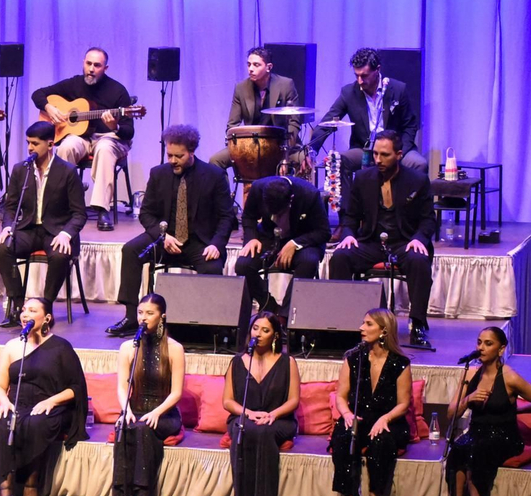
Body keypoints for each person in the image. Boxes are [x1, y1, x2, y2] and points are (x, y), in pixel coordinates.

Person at [107, 124, 235, 338]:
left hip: (199, 242)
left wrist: (216, 243)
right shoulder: (158, 173)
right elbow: (146, 213)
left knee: (213, 268)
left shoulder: (213, 175)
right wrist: (162, 236)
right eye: (169, 155)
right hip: (164, 239)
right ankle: (131, 316)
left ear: (192, 151)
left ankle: (206, 324)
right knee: (130, 251)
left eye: (179, 156)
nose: (173, 160)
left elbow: (226, 216)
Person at [327, 130, 437, 349]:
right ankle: (345, 323)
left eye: (384, 155)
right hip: (372, 242)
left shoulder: (418, 180)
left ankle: (417, 324)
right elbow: (350, 216)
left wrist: (418, 239)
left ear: (399, 154)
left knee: (418, 260)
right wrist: (348, 235)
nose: (378, 160)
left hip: (404, 241)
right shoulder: (363, 179)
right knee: (340, 257)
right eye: (375, 154)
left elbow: (428, 220)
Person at [443, 326, 531, 496]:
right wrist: (468, 398)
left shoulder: (509, 376)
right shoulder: (471, 374)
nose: (481, 347)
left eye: (488, 343)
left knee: (477, 450)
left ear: (501, 349)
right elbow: (451, 413)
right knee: (457, 450)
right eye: (479, 342)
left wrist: (519, 409)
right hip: (477, 431)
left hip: (504, 436)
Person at [0, 298, 88, 496]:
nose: (25, 314)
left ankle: (31, 486)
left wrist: (52, 400)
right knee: (3, 426)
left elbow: (76, 388)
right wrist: (4, 402)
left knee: (36, 424)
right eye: (23, 310)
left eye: (32, 311)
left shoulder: (61, 347)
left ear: (47, 318)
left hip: (49, 406)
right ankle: (6, 489)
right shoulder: (12, 346)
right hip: (17, 405)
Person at [34, 46, 136, 231]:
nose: (91, 68)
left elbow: (129, 131)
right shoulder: (74, 84)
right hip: (81, 137)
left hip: (109, 138)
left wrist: (115, 126)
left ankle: (102, 208)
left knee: (104, 148)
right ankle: (62, 206)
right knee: (66, 146)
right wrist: (50, 108)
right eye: (88, 63)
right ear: (83, 63)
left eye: (97, 65)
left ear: (105, 68)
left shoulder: (118, 91)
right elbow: (38, 94)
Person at [0, 121, 87, 324]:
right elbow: (10, 207)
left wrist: (66, 234)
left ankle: (46, 306)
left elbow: (79, 214)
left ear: (50, 144)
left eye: (35, 143)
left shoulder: (68, 172)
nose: (30, 148)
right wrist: (8, 227)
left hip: (57, 231)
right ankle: (18, 303)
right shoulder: (21, 170)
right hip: (27, 229)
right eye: (28, 143)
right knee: (2, 248)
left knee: (60, 254)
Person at [329, 308, 413, 496]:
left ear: (383, 330)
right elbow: (341, 396)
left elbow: (404, 403)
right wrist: (346, 414)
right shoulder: (353, 358)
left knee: (381, 442)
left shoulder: (400, 363)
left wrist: (385, 418)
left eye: (368, 324)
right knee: (343, 437)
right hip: (358, 417)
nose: (361, 328)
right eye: (362, 323)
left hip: (388, 420)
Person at [111, 293, 187, 496]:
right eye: (140, 313)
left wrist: (157, 412)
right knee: (123, 427)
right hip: (136, 409)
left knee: (145, 429)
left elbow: (176, 393)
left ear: (161, 316)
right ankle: (123, 494)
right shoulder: (128, 347)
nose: (143, 318)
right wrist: (125, 410)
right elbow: (121, 386)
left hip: (164, 413)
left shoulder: (174, 348)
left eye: (150, 314)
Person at [224, 311, 301, 496]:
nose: (258, 334)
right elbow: (228, 401)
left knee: (264, 431)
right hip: (244, 417)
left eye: (265, 330)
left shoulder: (288, 362)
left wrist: (272, 414)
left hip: (279, 420)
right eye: (255, 328)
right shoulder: (237, 362)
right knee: (244, 429)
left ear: (275, 335)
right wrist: (249, 413)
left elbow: (293, 400)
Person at [308, 47, 425, 181]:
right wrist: (312, 150)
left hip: (394, 148)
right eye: (356, 75)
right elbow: (326, 123)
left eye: (364, 75)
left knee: (419, 164)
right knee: (337, 162)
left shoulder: (398, 89)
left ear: (377, 70)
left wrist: (400, 152)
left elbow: (410, 125)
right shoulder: (349, 93)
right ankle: (348, 202)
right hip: (364, 150)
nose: (360, 81)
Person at [233, 175, 329, 314]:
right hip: (268, 236)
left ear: (290, 200)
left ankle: (286, 315)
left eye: (280, 214)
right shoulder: (258, 188)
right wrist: (252, 238)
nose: (276, 218)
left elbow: (324, 232)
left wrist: (295, 243)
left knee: (308, 262)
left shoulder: (309, 194)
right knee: (243, 265)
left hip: (302, 239)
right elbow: (248, 217)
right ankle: (269, 305)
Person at [209, 47, 303, 171]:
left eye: (256, 65)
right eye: (249, 65)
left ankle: (292, 189)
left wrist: (285, 153)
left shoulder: (286, 85)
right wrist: (237, 147)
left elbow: (294, 123)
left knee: (303, 159)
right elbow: (232, 125)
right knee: (215, 160)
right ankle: (224, 191)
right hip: (251, 146)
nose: (251, 69)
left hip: (280, 145)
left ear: (268, 67)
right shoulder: (241, 88)